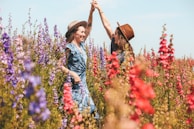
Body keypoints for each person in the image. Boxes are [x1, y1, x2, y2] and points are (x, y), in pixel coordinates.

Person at [58, 1, 98, 115]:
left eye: (84, 33)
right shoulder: (68, 48)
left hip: (83, 86)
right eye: (81, 32)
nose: (84, 34)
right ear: (74, 33)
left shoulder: (82, 45)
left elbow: (89, 27)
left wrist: (91, 11)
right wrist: (72, 73)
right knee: (77, 117)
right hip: (74, 88)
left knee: (90, 115)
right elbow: (58, 65)